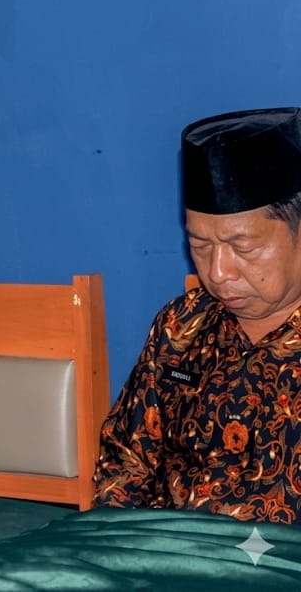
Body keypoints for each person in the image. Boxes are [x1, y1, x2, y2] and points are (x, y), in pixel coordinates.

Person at [94, 107, 301, 524]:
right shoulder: (182, 327)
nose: (218, 273)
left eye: (243, 248)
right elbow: (126, 464)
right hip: (168, 551)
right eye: (201, 247)